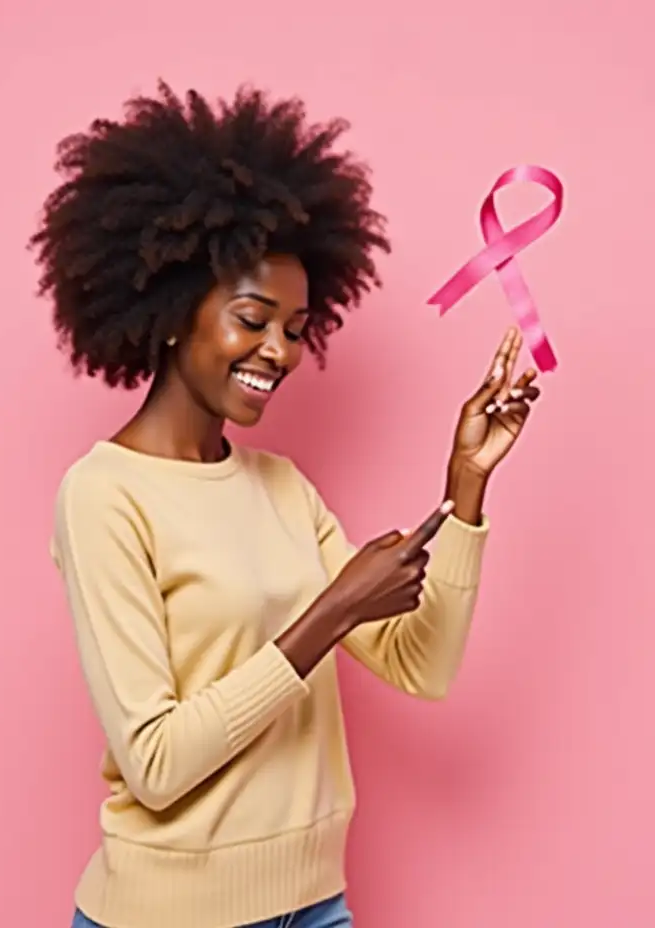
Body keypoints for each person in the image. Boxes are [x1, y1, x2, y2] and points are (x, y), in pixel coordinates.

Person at [32, 83, 543, 928]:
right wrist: (332, 610)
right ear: (168, 314)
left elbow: (423, 665)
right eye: (251, 318)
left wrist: (465, 489)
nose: (279, 350)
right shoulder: (103, 497)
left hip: (314, 905)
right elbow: (154, 762)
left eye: (298, 327)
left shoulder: (280, 486)